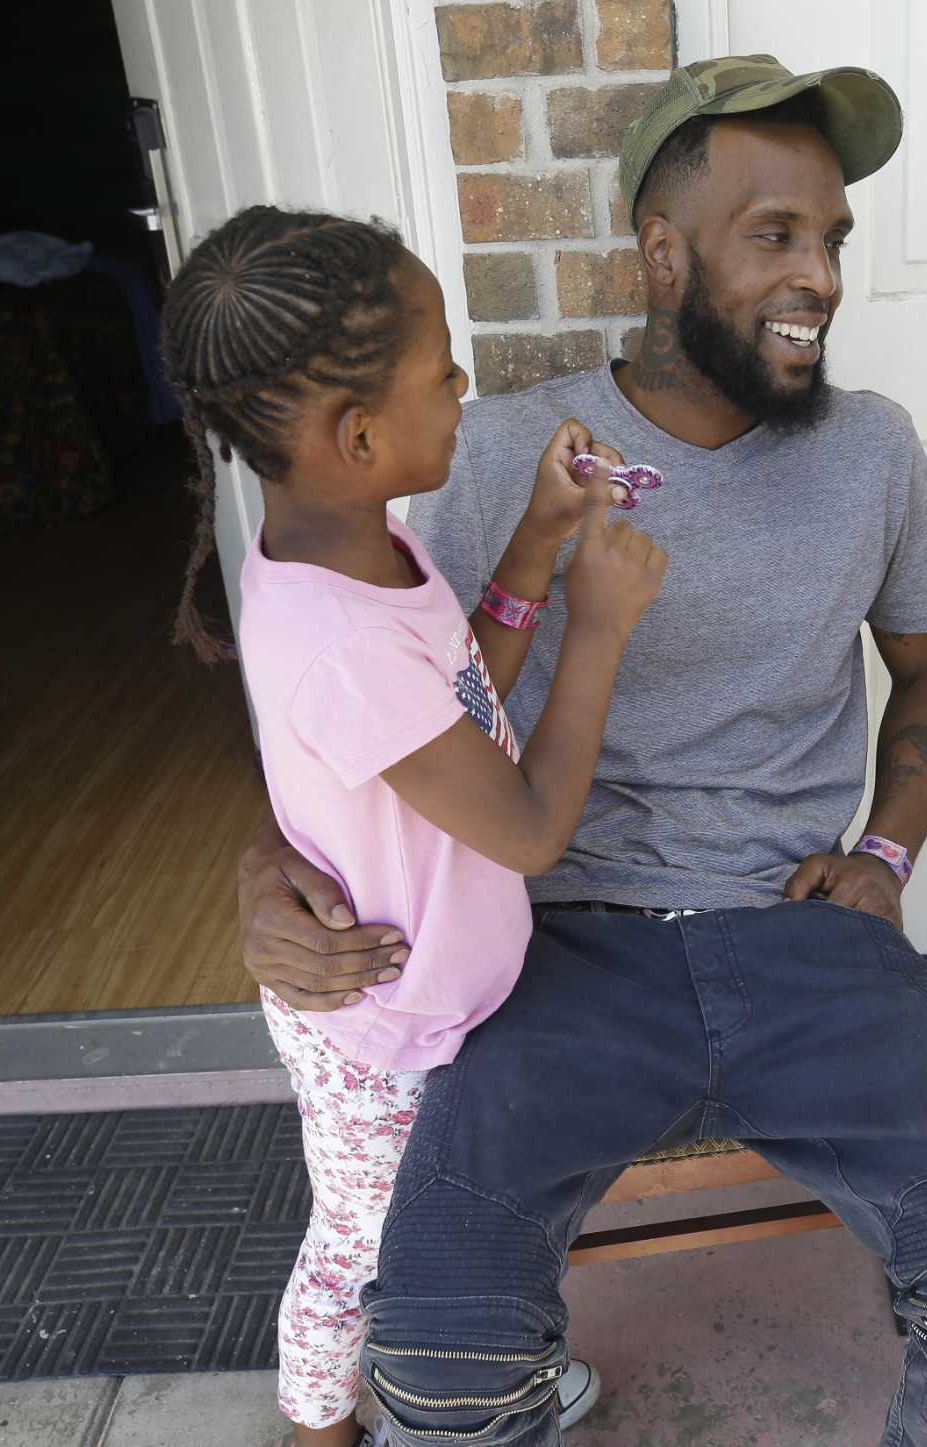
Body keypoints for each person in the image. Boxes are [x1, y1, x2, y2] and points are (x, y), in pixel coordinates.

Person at [236, 57, 927, 1447]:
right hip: (553, 950)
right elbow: (364, 701)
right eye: (775, 236)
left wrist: (885, 851)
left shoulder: (872, 448)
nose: (818, 275)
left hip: (808, 937)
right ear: (662, 252)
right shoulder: (504, 450)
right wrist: (261, 860)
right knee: (440, 1357)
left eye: (832, 241)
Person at [160, 206, 668, 1446]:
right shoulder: (333, 637)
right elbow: (532, 826)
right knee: (362, 1246)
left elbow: (462, 702)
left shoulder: (365, 548)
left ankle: (493, 1359)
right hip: (382, 1028)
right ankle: (320, 1426)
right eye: (441, 369)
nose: (461, 386)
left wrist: (539, 543)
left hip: (448, 1001)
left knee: (462, 1220)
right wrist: (598, 627)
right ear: (357, 433)